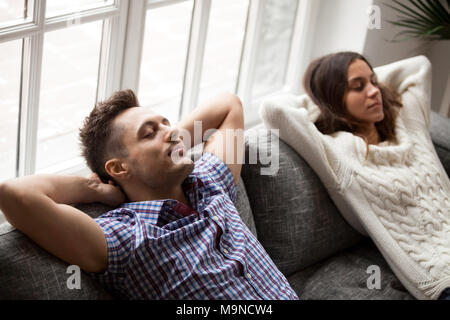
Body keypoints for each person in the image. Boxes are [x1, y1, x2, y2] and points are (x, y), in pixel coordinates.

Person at [0, 90, 298, 300]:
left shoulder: (211, 180)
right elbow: (14, 194)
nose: (170, 131)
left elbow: (229, 105)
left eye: (165, 122)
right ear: (119, 168)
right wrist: (97, 190)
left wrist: (170, 140)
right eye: (148, 132)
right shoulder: (124, 237)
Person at [260, 52, 450, 300]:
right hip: (442, 276)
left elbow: (419, 65)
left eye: (374, 82)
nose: (374, 92)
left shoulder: (410, 125)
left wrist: (363, 80)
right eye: (358, 87)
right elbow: (275, 111)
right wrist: (324, 99)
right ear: (334, 98)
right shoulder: (341, 154)